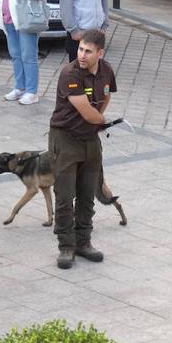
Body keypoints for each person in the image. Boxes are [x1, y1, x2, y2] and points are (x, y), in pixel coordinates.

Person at [49, 28, 117, 270]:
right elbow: (86, 111)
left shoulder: (106, 70)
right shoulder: (70, 73)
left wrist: (100, 117)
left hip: (90, 140)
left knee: (88, 194)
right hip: (65, 139)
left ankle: (83, 242)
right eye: (80, 49)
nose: (82, 55)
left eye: (88, 51)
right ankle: (66, 246)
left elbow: (106, 95)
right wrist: (102, 121)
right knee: (65, 196)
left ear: (100, 53)